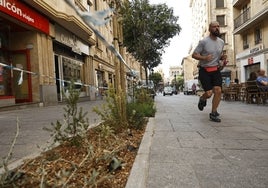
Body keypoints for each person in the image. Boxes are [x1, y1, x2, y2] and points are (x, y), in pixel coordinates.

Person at [192, 21, 226, 122]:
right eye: (214, 26)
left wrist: (222, 57)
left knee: (218, 91)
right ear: (209, 29)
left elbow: (218, 55)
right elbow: (194, 55)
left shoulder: (221, 42)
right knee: (209, 93)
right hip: (204, 71)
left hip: (215, 70)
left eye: (218, 26)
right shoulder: (203, 42)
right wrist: (204, 57)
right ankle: (202, 98)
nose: (217, 28)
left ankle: (213, 112)